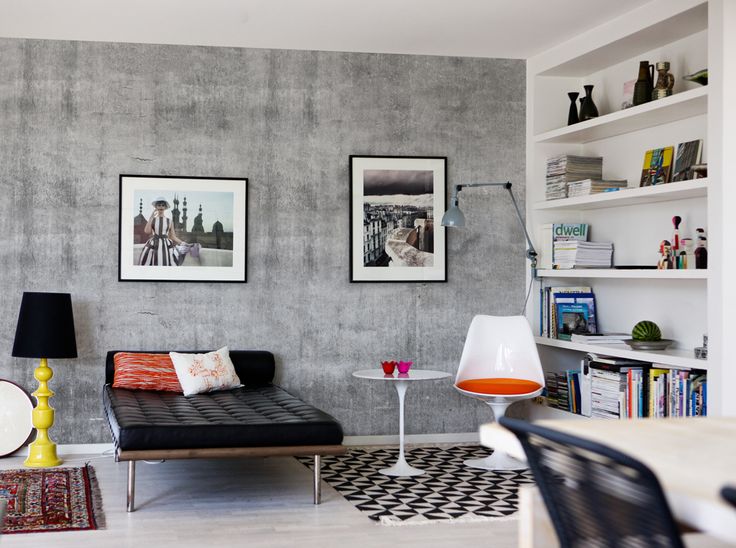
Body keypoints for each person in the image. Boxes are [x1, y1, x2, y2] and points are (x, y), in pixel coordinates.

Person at [139, 197, 186, 266]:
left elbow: (173, 236)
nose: (161, 207)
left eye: (163, 205)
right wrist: (151, 217)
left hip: (166, 246)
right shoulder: (153, 220)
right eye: (159, 205)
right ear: (156, 207)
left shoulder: (169, 221)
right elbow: (147, 231)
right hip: (154, 244)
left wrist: (183, 243)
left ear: (165, 207)